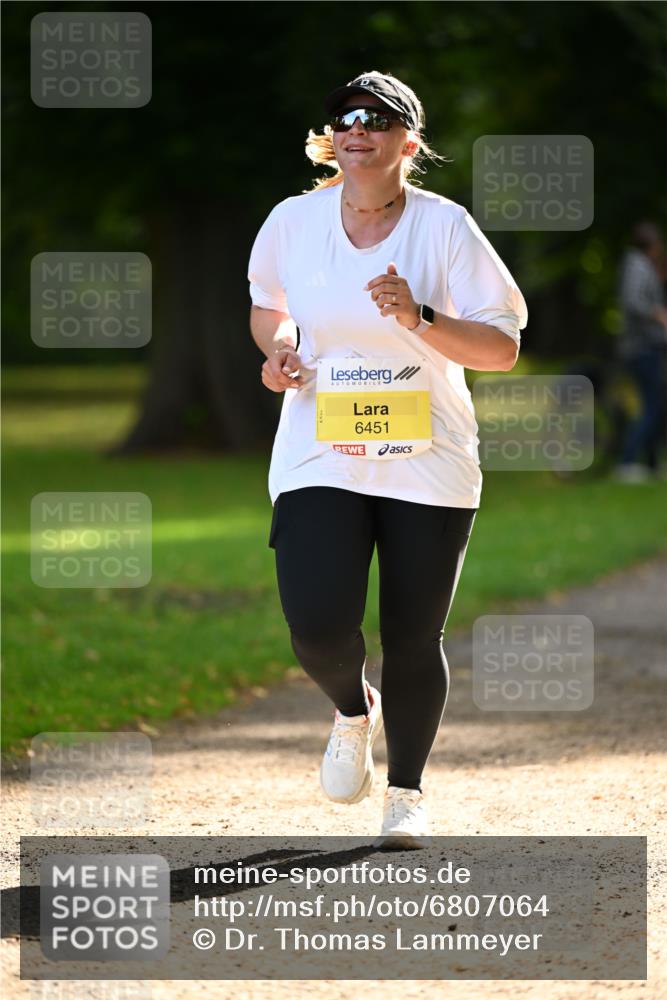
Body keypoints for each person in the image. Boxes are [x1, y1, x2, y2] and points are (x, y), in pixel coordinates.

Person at [247, 71, 527, 849]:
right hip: (321, 447)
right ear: (329, 138)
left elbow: (500, 347)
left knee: (413, 634)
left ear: (409, 141)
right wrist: (281, 350)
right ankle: (350, 708)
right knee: (317, 626)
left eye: (376, 118)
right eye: (343, 117)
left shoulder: (445, 228)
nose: (356, 127)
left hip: (426, 455)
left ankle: (405, 792)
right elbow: (270, 307)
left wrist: (419, 315)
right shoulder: (292, 222)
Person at [614, 221, 667, 482]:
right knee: (652, 406)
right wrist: (658, 314)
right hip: (641, 348)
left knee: (654, 404)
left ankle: (651, 464)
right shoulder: (637, 265)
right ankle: (628, 461)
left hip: (645, 346)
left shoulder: (637, 264)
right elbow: (633, 301)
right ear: (653, 245)